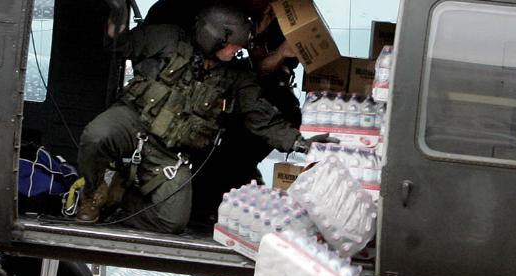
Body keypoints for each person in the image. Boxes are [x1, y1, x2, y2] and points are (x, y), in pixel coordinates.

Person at [71, 3, 329, 232]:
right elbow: (120, 45)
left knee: (172, 221)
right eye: (232, 47)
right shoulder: (167, 38)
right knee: (97, 135)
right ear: (213, 36)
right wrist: (116, 19)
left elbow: (261, 119)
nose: (235, 53)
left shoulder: (236, 78)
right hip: (133, 121)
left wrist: (300, 143)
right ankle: (93, 192)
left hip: (169, 154)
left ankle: (120, 199)